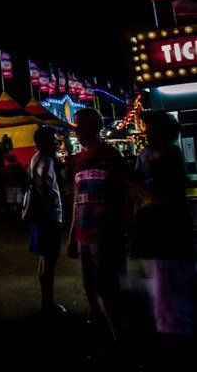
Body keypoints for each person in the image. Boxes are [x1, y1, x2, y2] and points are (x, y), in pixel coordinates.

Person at [66, 108, 156, 353]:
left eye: (80, 124)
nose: (76, 129)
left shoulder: (111, 155)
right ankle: (121, 334)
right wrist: (72, 236)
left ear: (93, 126)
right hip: (85, 233)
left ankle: (128, 334)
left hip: (106, 234)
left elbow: (130, 186)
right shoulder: (78, 159)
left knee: (109, 288)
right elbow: (77, 198)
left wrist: (148, 205)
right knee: (93, 288)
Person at [134, 111, 193, 357]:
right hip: (155, 235)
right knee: (161, 289)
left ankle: (177, 344)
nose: (146, 132)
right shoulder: (147, 156)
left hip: (169, 235)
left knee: (170, 292)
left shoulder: (170, 157)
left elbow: (165, 199)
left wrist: (133, 184)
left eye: (151, 128)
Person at [26, 127, 65, 316]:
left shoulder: (34, 158)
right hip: (48, 216)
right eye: (52, 139)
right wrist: (55, 206)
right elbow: (47, 188)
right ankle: (48, 304)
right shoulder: (46, 160)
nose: (56, 143)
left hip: (39, 216)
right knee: (49, 261)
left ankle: (46, 303)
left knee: (44, 259)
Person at [2, 154, 26, 220]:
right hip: (18, 187)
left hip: (9, 188)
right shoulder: (19, 167)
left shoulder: (6, 169)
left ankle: (12, 218)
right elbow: (23, 177)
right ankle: (19, 217)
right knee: (19, 204)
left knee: (11, 204)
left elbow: (4, 178)